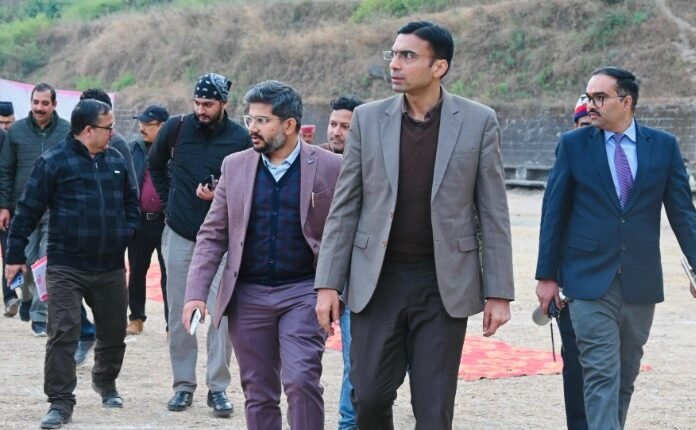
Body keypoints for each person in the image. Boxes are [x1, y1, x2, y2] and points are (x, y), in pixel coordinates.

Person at [315, 21, 515, 429]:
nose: (395, 64)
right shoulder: (368, 119)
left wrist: (499, 292)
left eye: (408, 56)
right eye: (393, 54)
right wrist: (328, 284)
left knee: (433, 408)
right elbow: (344, 208)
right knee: (367, 397)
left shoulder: (478, 121)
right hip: (377, 280)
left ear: (439, 66)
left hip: (443, 284)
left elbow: (493, 210)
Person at [535, 66, 696, 430]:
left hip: (640, 281)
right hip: (588, 281)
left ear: (626, 101)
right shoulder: (573, 145)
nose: (590, 104)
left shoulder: (663, 146)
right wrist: (546, 276)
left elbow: (683, 213)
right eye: (588, 97)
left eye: (599, 97)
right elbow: (553, 213)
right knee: (600, 374)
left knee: (624, 377)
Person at [182, 80, 341, 430]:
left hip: (304, 291)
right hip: (248, 295)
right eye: (249, 119)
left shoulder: (330, 166)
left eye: (262, 120)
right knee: (258, 391)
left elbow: (342, 232)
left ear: (289, 124)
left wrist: (332, 287)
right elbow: (212, 235)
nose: (252, 128)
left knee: (301, 381)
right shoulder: (235, 166)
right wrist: (195, 293)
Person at [5, 99, 140, 429]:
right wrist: (15, 256)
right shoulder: (53, 161)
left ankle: (105, 382)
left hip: (110, 265)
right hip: (66, 265)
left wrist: (127, 232)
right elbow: (27, 210)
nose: (113, 132)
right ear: (88, 130)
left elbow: (131, 204)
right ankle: (60, 401)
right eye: (108, 127)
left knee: (113, 333)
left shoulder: (117, 160)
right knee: (63, 333)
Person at [148, 73, 250, 417]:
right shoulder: (175, 129)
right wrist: (170, 203)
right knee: (181, 311)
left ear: (224, 103)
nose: (201, 110)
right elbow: (154, 165)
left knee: (221, 313)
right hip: (180, 232)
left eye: (208, 104)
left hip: (223, 238)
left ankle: (218, 388)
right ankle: (183, 385)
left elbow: (250, 181)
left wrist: (221, 193)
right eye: (197, 103)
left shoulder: (241, 138)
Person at [73, 88, 138, 366]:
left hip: (109, 237)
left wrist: (125, 231)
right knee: (64, 289)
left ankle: (105, 346)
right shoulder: (69, 145)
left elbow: (131, 190)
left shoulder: (118, 146)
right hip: (74, 235)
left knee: (106, 298)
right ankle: (85, 331)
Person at [0, 83, 71, 336]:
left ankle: (40, 315)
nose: (39, 108)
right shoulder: (16, 132)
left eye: (45, 103)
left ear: (54, 105)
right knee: (26, 260)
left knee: (46, 262)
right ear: (30, 103)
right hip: (24, 208)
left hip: (55, 208)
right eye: (36, 102)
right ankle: (28, 297)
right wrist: (4, 206)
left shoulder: (67, 131)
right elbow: (6, 171)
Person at [318, 94, 364, 430]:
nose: (336, 132)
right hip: (313, 278)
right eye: (333, 124)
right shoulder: (311, 163)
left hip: (357, 281)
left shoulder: (373, 168)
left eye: (345, 127)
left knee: (356, 361)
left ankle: (348, 424)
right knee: (302, 362)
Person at [551, 96, 592, 430]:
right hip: (572, 284)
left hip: (616, 284)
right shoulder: (567, 157)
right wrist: (553, 279)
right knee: (576, 364)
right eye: (583, 125)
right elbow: (553, 225)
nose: (588, 132)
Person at [126, 104, 170, 336]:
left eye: (148, 124)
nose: (142, 128)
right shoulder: (134, 148)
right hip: (140, 220)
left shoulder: (174, 151)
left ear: (162, 126)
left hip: (167, 223)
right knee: (136, 271)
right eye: (141, 123)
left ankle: (172, 324)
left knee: (169, 274)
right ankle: (136, 317)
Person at [0, 101, 19, 317]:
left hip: (7, 207)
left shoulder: (16, 139)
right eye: (1, 123)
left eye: (8, 122)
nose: (5, 127)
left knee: (9, 251)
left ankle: (10, 296)